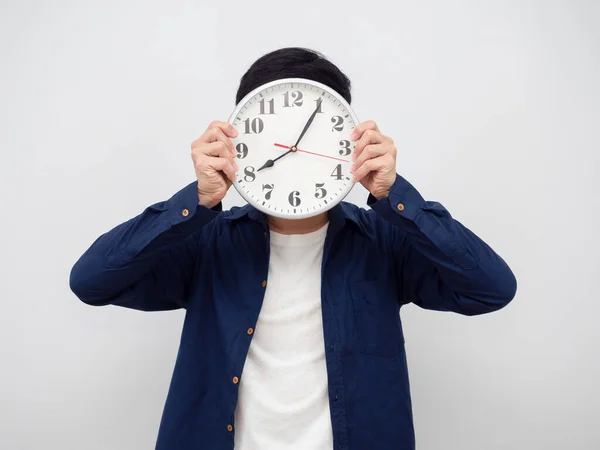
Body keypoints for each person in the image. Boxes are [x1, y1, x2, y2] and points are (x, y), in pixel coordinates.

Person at [69, 47, 517, 450]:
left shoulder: (382, 242)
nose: (294, 151)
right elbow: (91, 281)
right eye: (272, 135)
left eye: (313, 134)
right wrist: (198, 201)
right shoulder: (206, 242)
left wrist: (394, 195)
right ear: (239, 139)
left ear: (346, 139)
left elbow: (491, 288)